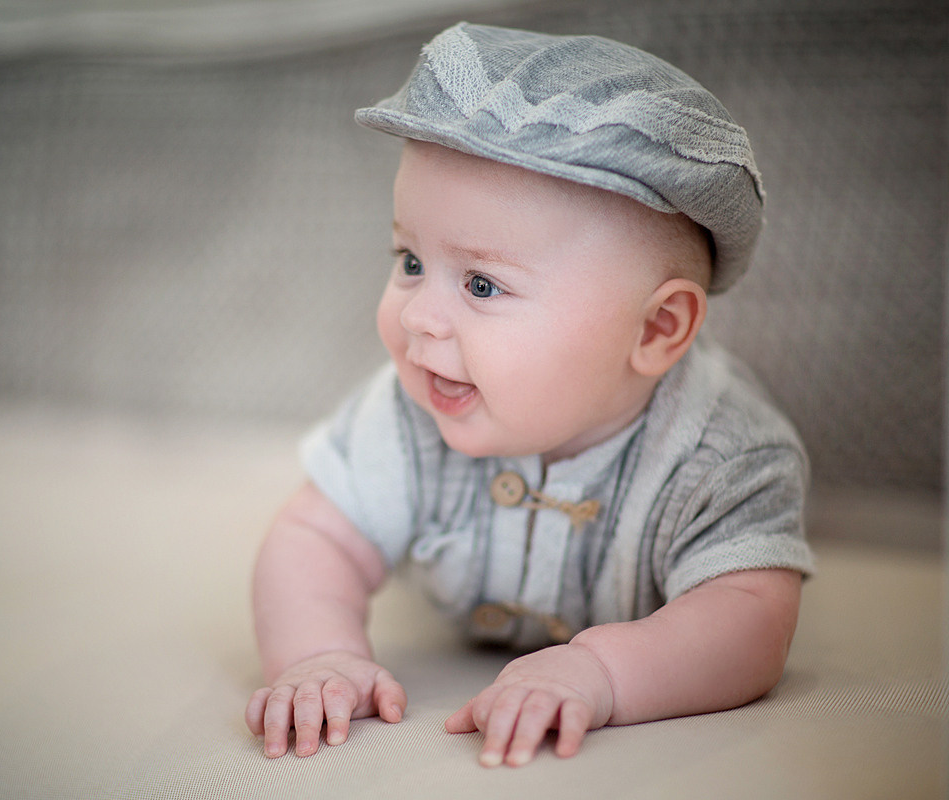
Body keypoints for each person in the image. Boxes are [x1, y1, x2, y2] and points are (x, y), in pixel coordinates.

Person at [244, 22, 814, 768]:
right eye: (410, 260)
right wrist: (318, 654)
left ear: (656, 329)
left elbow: (749, 621)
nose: (418, 315)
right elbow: (314, 539)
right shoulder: (409, 409)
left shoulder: (725, 456)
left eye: (481, 283)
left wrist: (604, 671)